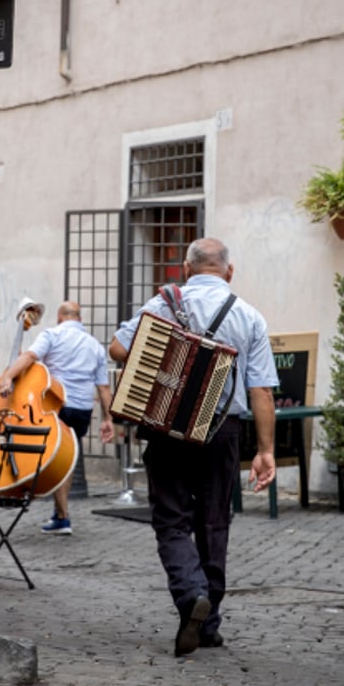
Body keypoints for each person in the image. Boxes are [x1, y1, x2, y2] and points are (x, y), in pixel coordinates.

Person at [109, 238, 277, 657]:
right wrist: (265, 451)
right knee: (214, 522)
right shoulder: (249, 316)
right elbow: (262, 390)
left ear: (186, 269)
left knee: (171, 521)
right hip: (223, 432)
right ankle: (210, 622)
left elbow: (116, 347)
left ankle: (191, 598)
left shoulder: (162, 303)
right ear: (229, 271)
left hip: (168, 427)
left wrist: (163, 357)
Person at [0, 300, 114, 534]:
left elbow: (30, 357)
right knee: (66, 459)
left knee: (50, 456)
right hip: (82, 410)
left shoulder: (52, 335)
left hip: (57, 404)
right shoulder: (95, 346)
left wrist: (8, 376)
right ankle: (60, 516)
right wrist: (108, 419)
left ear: (60, 317)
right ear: (79, 319)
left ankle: (54, 509)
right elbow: (103, 388)